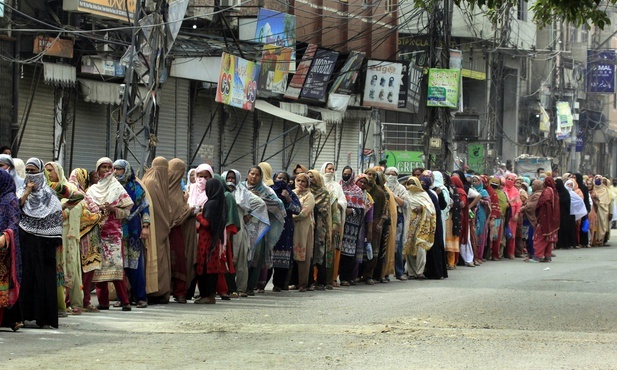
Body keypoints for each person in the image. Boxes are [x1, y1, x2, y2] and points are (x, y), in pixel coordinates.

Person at [17, 158, 63, 328]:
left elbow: (56, 216)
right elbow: (17, 207)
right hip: (26, 239)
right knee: (26, 277)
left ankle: (44, 317)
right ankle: (24, 315)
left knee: (44, 279)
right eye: (27, 171)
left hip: (46, 243)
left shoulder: (49, 195)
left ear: (40, 172)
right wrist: (27, 192)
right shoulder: (20, 191)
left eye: (33, 171)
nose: (30, 175)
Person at [87, 157, 134, 311]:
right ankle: (103, 302)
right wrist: (97, 208)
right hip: (97, 233)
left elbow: (127, 211)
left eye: (109, 167)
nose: (107, 170)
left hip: (113, 234)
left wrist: (113, 210)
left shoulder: (118, 188)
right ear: (98, 169)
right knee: (99, 269)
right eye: (103, 167)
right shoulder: (93, 190)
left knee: (116, 269)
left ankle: (125, 301)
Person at [222, 169, 269, 297]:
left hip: (238, 230)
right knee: (225, 259)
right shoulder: (220, 192)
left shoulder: (243, 193)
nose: (230, 180)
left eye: (233, 178)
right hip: (222, 230)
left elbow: (260, 204)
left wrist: (247, 218)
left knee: (240, 259)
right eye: (228, 178)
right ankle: (225, 288)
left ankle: (241, 288)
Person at [241, 164, 285, 295]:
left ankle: (250, 286)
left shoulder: (266, 190)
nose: (254, 177)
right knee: (242, 254)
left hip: (259, 228)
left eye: (257, 174)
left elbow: (278, 205)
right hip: (242, 225)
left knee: (256, 256)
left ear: (261, 177)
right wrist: (249, 196)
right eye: (251, 173)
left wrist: (259, 200)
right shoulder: (240, 188)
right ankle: (240, 285)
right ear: (248, 174)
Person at [113, 160, 150, 308]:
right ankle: (122, 297)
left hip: (133, 229)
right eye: (114, 169)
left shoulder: (136, 187)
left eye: (119, 169)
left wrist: (145, 226)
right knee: (119, 265)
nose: (116, 172)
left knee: (135, 265)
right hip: (117, 229)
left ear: (126, 170)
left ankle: (141, 297)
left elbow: (145, 208)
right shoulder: (112, 186)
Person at [67, 168, 103, 313]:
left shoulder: (85, 192)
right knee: (79, 270)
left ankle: (83, 300)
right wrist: (98, 216)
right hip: (80, 237)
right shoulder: (74, 193)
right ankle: (77, 301)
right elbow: (84, 214)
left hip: (88, 238)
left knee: (85, 270)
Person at [141, 157, 172, 303]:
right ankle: (155, 291)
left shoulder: (150, 179)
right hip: (156, 228)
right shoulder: (154, 183)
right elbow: (158, 210)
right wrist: (168, 223)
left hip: (154, 228)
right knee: (156, 259)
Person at [167, 159, 197, 304]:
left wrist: (187, 210)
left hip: (177, 232)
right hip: (167, 232)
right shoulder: (161, 188)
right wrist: (188, 210)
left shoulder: (179, 190)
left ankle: (179, 293)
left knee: (179, 261)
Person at [194, 178, 228, 304]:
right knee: (211, 268)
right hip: (214, 241)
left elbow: (207, 223)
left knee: (204, 267)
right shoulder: (221, 202)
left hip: (206, 241)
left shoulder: (211, 203)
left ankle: (207, 295)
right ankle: (209, 295)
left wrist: (198, 215)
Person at [339, 167, 372, 286]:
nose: (345, 175)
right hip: (338, 223)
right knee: (336, 250)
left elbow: (362, 210)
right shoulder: (338, 187)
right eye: (344, 173)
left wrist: (351, 210)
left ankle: (345, 278)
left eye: (348, 174)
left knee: (348, 253)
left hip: (351, 226)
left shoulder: (357, 191)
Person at [271, 171, 301, 292]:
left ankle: (279, 283)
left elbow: (298, 209)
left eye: (284, 178)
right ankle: (260, 283)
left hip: (285, 228)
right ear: (274, 178)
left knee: (282, 256)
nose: (281, 180)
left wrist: (288, 199)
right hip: (271, 226)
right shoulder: (269, 191)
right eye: (279, 178)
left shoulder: (291, 194)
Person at [0, 170, 23, 331]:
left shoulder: (10, 200)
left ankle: (9, 319)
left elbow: (14, 224)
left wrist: (4, 236)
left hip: (4, 250)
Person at [403, 176, 436, 279]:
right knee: (409, 247)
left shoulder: (423, 195)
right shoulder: (406, 195)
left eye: (414, 182)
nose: (412, 184)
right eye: (410, 182)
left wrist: (422, 208)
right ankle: (412, 272)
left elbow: (432, 208)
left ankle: (420, 271)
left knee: (421, 247)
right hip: (409, 224)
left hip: (422, 225)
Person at [320, 162, 346, 286]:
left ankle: (332, 278)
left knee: (332, 249)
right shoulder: (318, 183)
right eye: (328, 168)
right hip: (321, 220)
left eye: (332, 169)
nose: (330, 171)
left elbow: (343, 201)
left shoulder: (337, 186)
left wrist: (335, 204)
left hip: (334, 221)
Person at [307, 170, 333, 290]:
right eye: (308, 176)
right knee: (308, 252)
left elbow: (323, 210)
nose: (309, 178)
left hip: (320, 227)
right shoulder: (305, 191)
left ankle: (321, 281)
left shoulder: (324, 193)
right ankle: (308, 281)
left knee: (320, 252)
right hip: (307, 226)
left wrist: (310, 206)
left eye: (312, 177)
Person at [384, 167, 411, 280]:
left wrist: (393, 196)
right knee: (385, 246)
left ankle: (399, 272)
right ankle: (384, 273)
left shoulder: (401, 189)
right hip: (385, 217)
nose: (390, 176)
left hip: (398, 218)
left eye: (393, 174)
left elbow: (405, 204)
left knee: (397, 246)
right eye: (388, 174)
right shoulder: (383, 186)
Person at [421, 171, 448, 280]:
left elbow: (442, 206)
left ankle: (437, 272)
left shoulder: (436, 191)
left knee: (435, 245)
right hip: (423, 223)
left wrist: (440, 194)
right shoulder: (420, 192)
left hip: (434, 223)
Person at [291, 173, 315, 292]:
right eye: (298, 180)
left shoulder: (309, 196)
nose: (300, 183)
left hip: (303, 228)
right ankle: (291, 282)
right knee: (292, 255)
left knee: (303, 256)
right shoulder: (292, 193)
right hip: (292, 227)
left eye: (303, 181)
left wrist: (291, 216)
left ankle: (303, 283)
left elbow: (304, 212)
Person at [362, 168, 386, 285]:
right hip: (361, 222)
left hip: (375, 223)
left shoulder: (380, 192)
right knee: (360, 250)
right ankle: (358, 274)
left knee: (373, 250)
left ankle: (368, 275)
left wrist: (380, 224)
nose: (370, 176)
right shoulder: (360, 188)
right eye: (368, 174)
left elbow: (384, 211)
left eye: (373, 175)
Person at [530, 177, 560, 262]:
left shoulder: (547, 191)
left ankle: (538, 256)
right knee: (548, 239)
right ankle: (547, 256)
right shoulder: (554, 191)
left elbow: (544, 205)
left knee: (540, 237)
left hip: (545, 218)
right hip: (553, 219)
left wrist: (541, 217)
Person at [504, 174, 522, 259]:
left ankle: (511, 252)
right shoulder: (502, 189)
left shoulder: (516, 191)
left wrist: (517, 214)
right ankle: (502, 252)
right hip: (505, 212)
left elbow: (519, 204)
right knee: (503, 233)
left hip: (513, 213)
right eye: (508, 179)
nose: (509, 181)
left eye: (511, 179)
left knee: (512, 234)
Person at [555, 178, 577, 249]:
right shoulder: (555, 192)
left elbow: (566, 202)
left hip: (564, 214)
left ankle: (565, 243)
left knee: (564, 228)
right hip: (558, 213)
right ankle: (559, 243)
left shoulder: (565, 193)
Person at [591, 175, 611, 246]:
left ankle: (600, 240)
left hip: (603, 211)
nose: (598, 180)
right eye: (596, 178)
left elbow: (608, 202)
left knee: (602, 226)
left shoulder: (605, 190)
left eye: (599, 179)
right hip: (594, 210)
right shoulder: (592, 189)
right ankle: (593, 240)